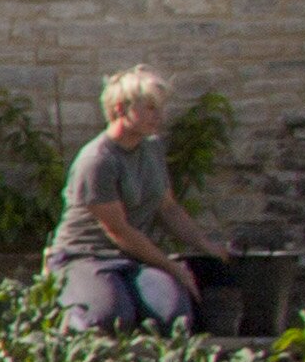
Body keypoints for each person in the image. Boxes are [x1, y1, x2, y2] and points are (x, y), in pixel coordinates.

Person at [45, 65, 237, 333]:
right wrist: (172, 267)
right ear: (121, 109)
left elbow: (168, 208)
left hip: (133, 259)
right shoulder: (97, 160)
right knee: (108, 320)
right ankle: (65, 309)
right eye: (150, 108)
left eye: (159, 108)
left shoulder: (152, 149)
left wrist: (207, 246)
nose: (159, 116)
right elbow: (119, 230)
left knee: (175, 317)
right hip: (85, 256)